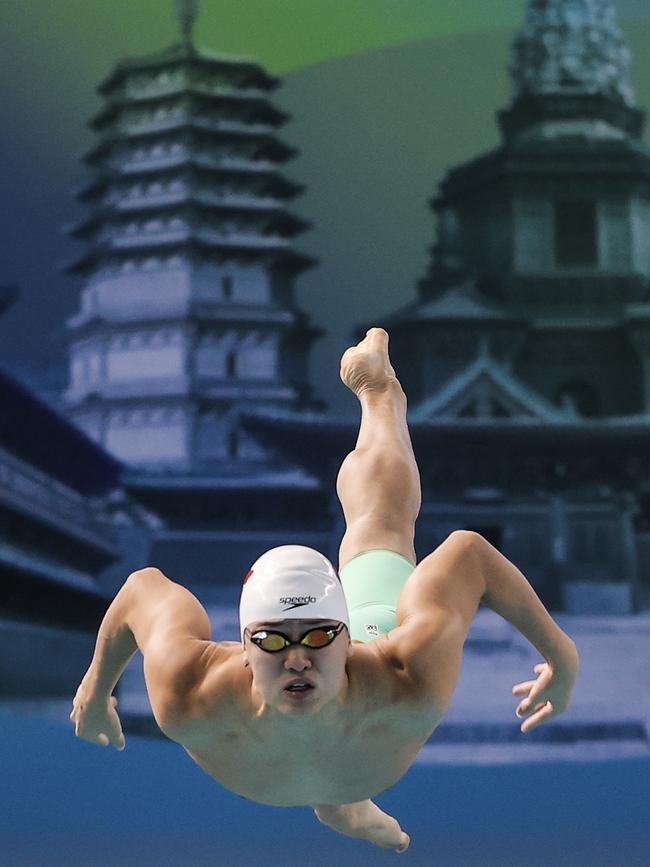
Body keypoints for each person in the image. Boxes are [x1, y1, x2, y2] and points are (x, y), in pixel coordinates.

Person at [70, 327, 579, 854]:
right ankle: (347, 808)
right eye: (271, 640)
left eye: (316, 637)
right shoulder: (189, 689)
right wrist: (94, 687)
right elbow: (140, 589)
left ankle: (378, 392)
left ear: (345, 638)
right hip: (354, 763)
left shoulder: (407, 674)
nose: (296, 660)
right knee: (337, 790)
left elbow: (470, 553)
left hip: (359, 722)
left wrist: (562, 655)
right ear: (243, 647)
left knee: (380, 521)